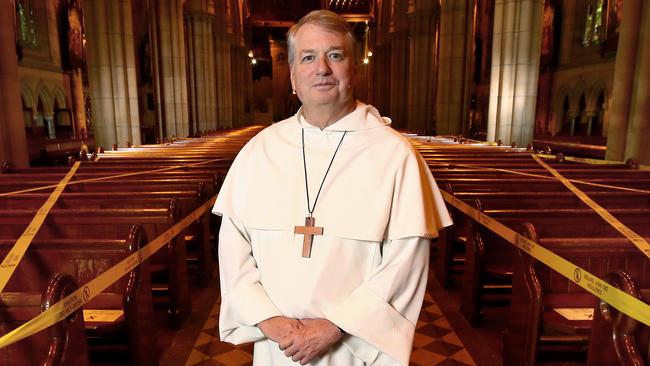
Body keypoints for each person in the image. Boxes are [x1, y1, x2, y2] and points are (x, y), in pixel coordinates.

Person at [212, 10, 452, 366]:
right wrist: (270, 321)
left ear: (354, 70)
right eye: (308, 57)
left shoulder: (394, 154)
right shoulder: (260, 151)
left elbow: (406, 263)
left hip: (355, 347)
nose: (321, 68)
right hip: (279, 347)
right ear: (293, 76)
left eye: (335, 55)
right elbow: (234, 248)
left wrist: (336, 326)